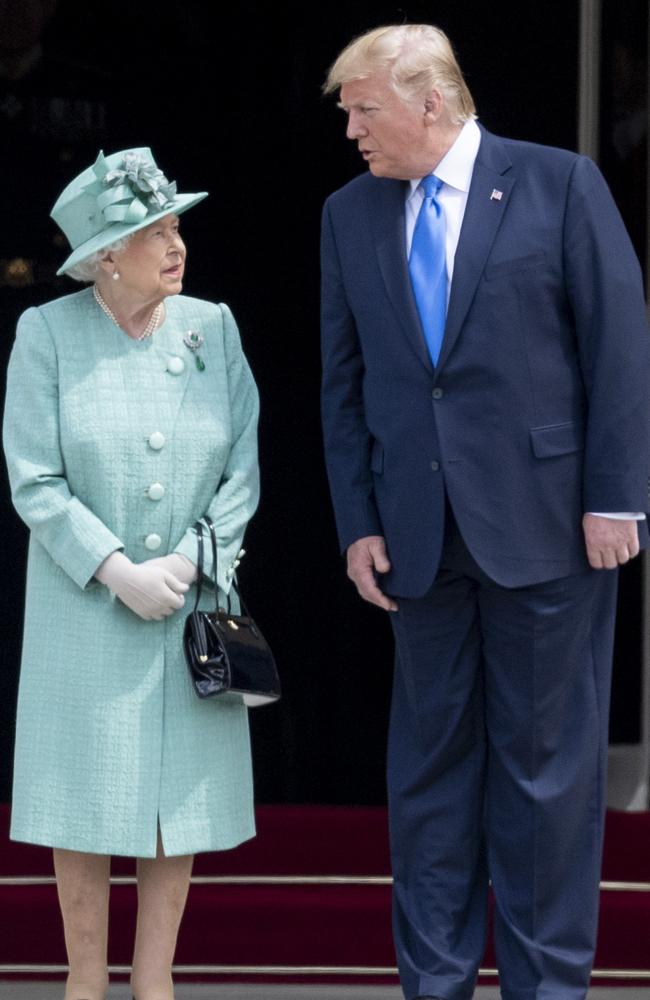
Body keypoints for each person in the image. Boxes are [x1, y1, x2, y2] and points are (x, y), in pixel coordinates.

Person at [320, 24, 650, 1000]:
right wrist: (355, 520)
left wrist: (613, 496)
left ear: (430, 101)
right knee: (426, 780)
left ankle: (545, 987)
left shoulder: (556, 185)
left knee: (544, 780)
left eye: (362, 107)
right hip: (414, 539)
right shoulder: (347, 213)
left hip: (547, 529)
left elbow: (618, 347)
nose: (349, 129)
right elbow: (342, 383)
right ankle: (433, 984)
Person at [2, 147, 260, 1000]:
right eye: (154, 231)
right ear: (106, 255)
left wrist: (189, 561)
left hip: (189, 608)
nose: (176, 243)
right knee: (82, 797)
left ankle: (155, 985)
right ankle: (85, 985)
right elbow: (33, 478)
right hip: (87, 610)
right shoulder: (45, 333)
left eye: (177, 225)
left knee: (173, 804)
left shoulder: (213, 326)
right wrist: (116, 570)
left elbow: (244, 473)